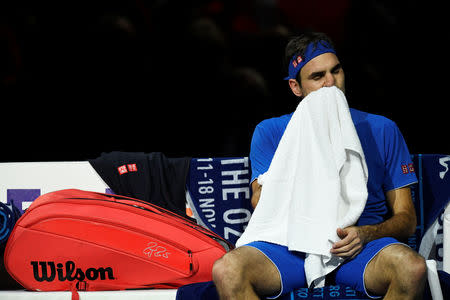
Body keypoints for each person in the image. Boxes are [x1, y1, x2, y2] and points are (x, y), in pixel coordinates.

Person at [212, 32, 426, 300]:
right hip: (291, 248)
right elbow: (261, 202)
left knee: (412, 268)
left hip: (360, 248)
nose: (330, 84)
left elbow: (407, 219)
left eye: (335, 71)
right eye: (317, 77)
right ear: (295, 87)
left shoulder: (382, 129)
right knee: (227, 270)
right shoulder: (271, 131)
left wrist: (367, 233)